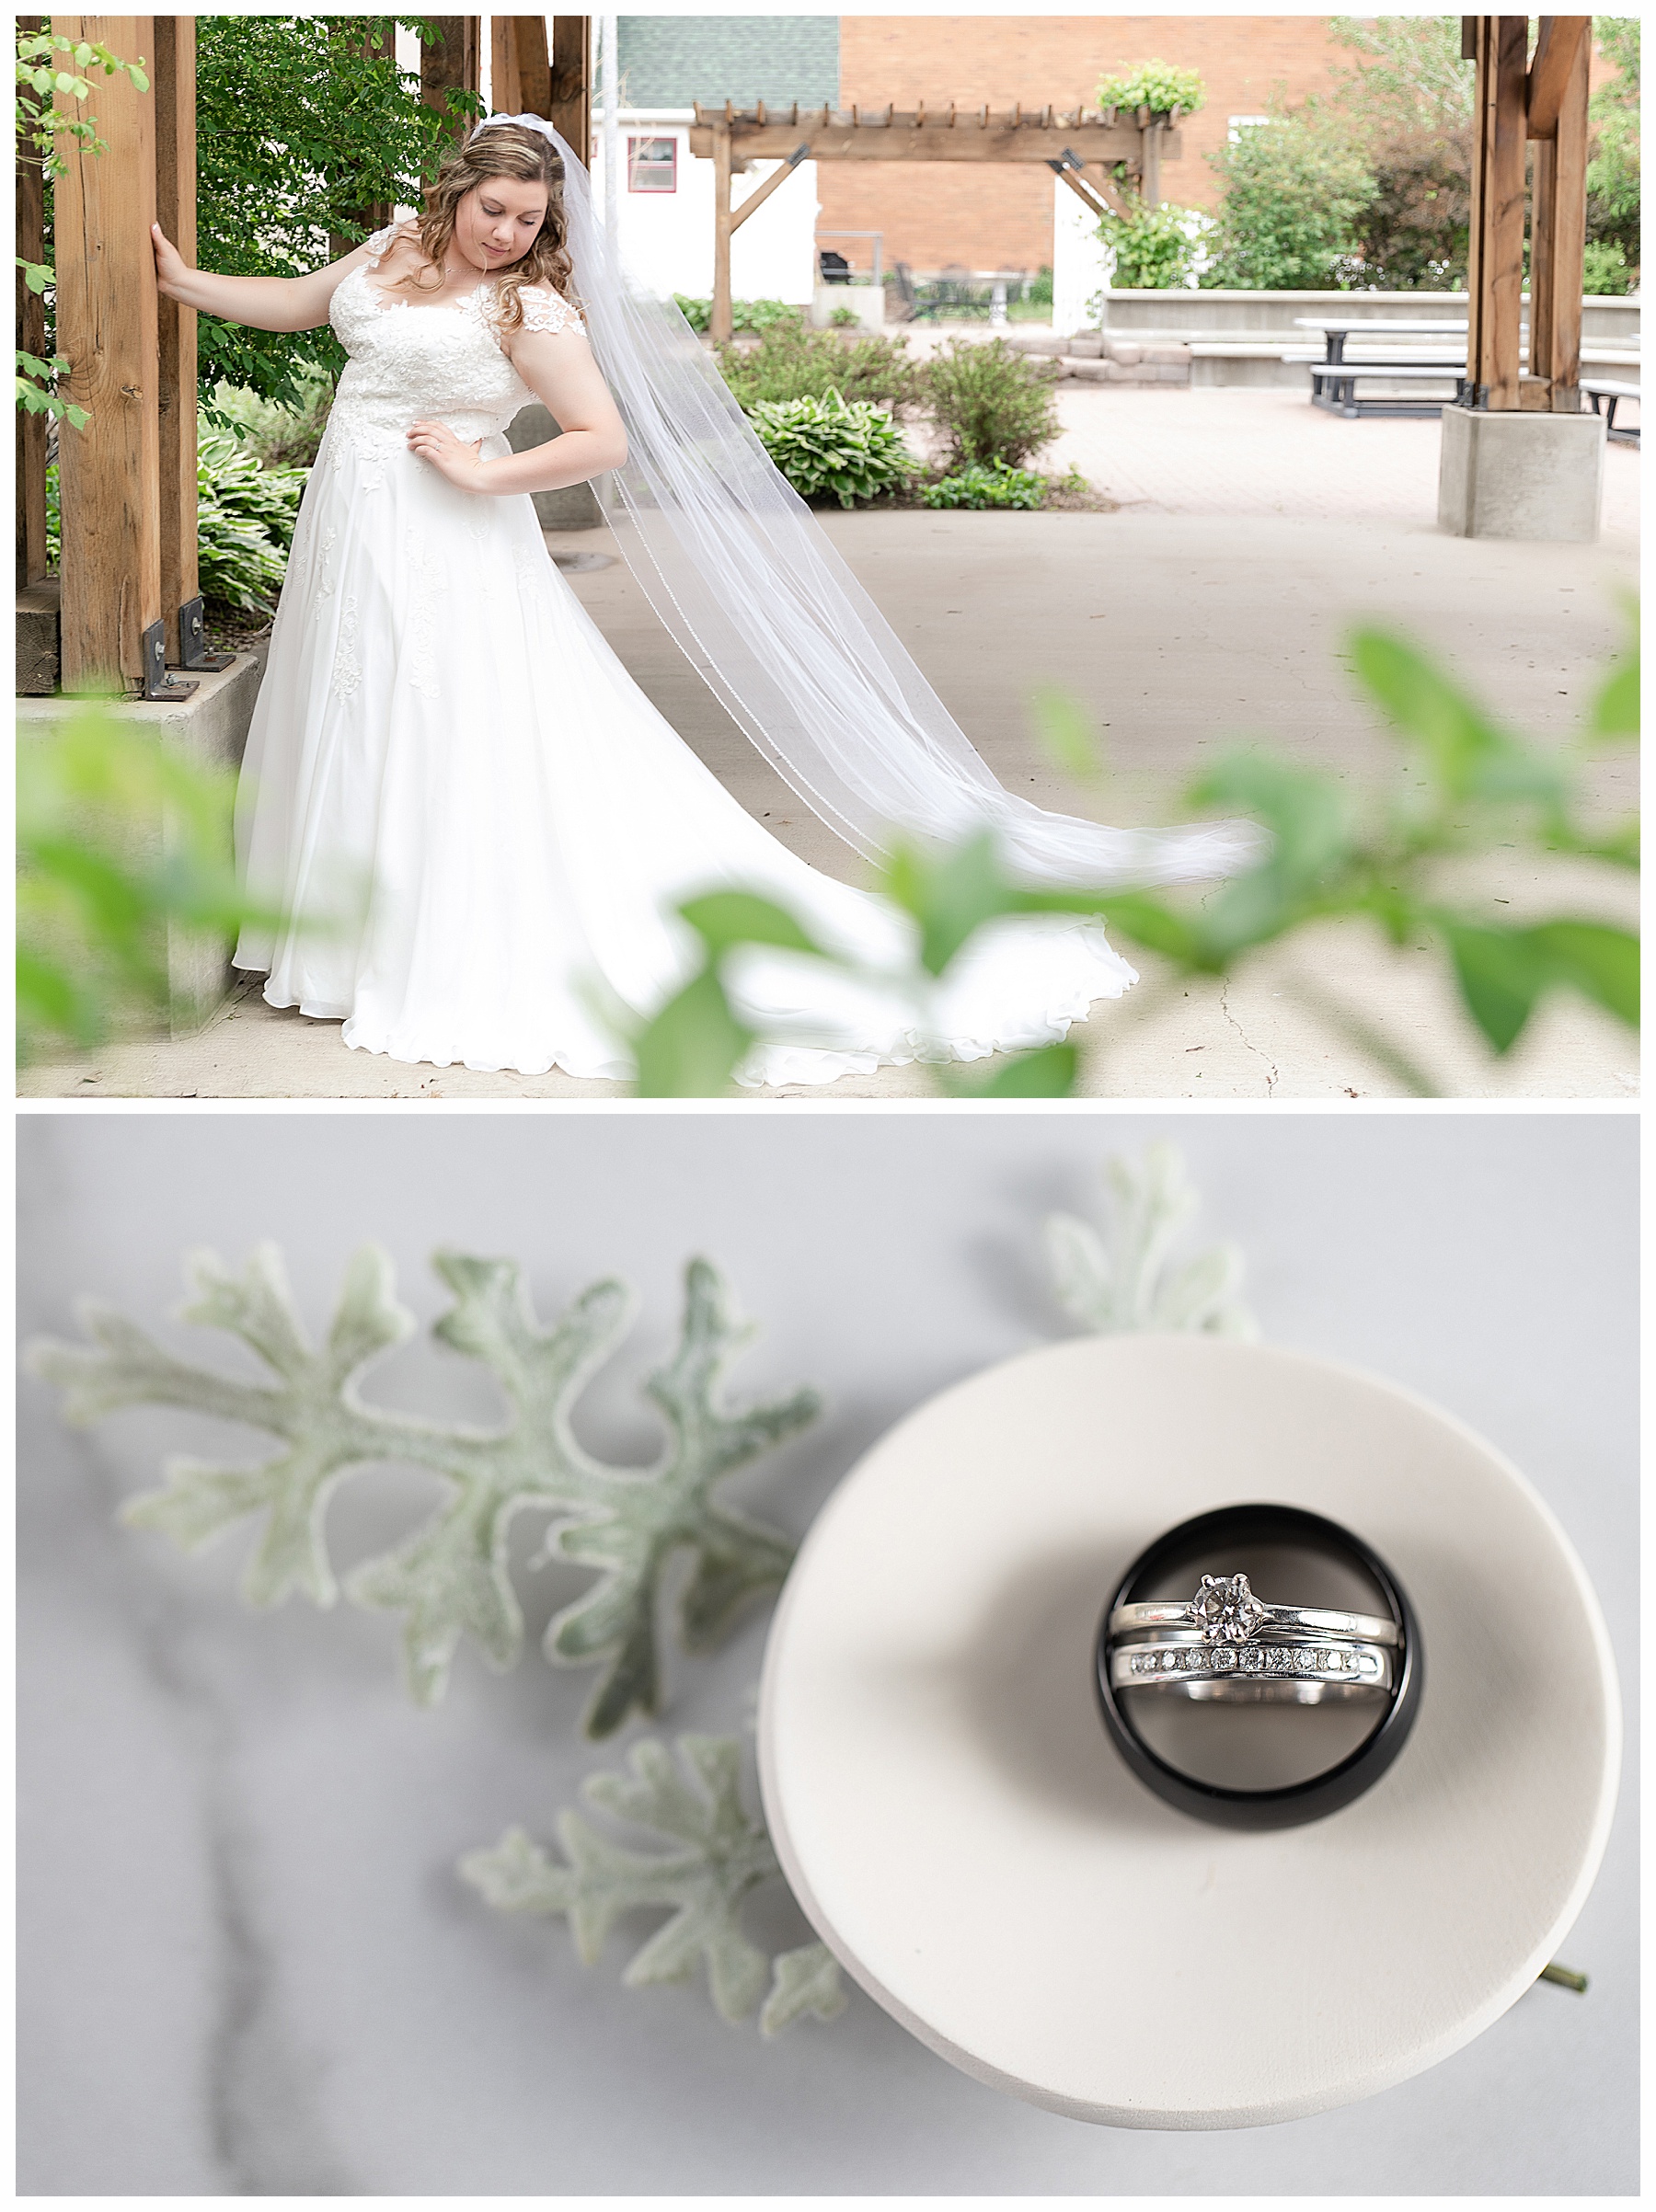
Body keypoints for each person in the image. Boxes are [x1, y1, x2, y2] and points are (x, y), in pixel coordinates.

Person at [151, 117, 1251, 1086]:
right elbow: (302, 305)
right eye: (493, 210)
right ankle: (345, 939)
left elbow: (602, 438)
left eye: (531, 219)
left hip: (450, 534)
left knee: (441, 716)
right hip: (351, 519)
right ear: (453, 194)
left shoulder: (529, 308)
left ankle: (421, 943)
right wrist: (185, 284)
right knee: (356, 703)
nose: (508, 234)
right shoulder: (393, 246)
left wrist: (486, 471)